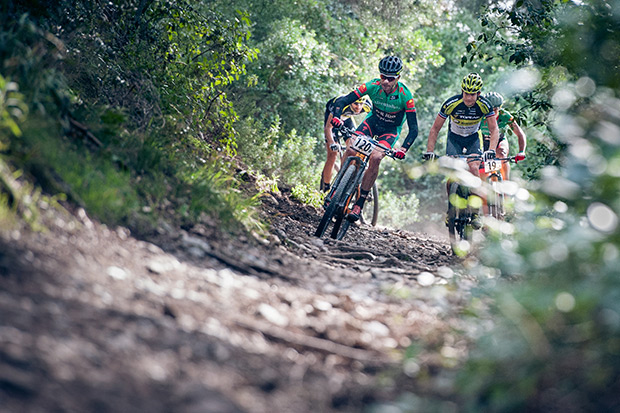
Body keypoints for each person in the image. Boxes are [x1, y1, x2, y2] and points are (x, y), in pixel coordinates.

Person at [330, 55, 419, 222]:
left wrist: (403, 149)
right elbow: (343, 101)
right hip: (371, 123)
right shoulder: (372, 86)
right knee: (350, 148)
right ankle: (337, 186)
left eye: (390, 78)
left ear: (398, 78)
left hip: (390, 130)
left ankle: (360, 203)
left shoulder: (405, 95)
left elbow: (414, 129)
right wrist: (336, 116)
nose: (385, 81)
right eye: (383, 76)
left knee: (376, 157)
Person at [424, 72, 500, 229]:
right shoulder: (451, 103)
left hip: (472, 139)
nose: (469, 98)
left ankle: (475, 213)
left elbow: (494, 129)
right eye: (466, 93)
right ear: (462, 91)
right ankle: (450, 210)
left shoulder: (484, 105)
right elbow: (435, 129)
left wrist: (491, 150)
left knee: (474, 169)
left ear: (479, 93)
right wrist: (430, 151)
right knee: (453, 174)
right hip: (454, 139)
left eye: (473, 94)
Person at [321, 95, 372, 192]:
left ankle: (346, 175)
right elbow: (328, 128)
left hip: (347, 118)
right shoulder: (341, 104)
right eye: (356, 104)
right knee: (332, 154)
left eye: (361, 104)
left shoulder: (368, 105)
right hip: (334, 116)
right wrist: (332, 143)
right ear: (351, 102)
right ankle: (326, 187)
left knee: (353, 147)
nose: (358, 107)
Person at [480, 91, 527, 181]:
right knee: (482, 174)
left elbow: (520, 134)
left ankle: (506, 185)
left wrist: (521, 151)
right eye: (489, 110)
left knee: (501, 154)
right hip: (484, 143)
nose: (492, 113)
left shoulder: (504, 115)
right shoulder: (480, 116)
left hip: (500, 141)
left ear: (500, 108)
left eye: (495, 110)